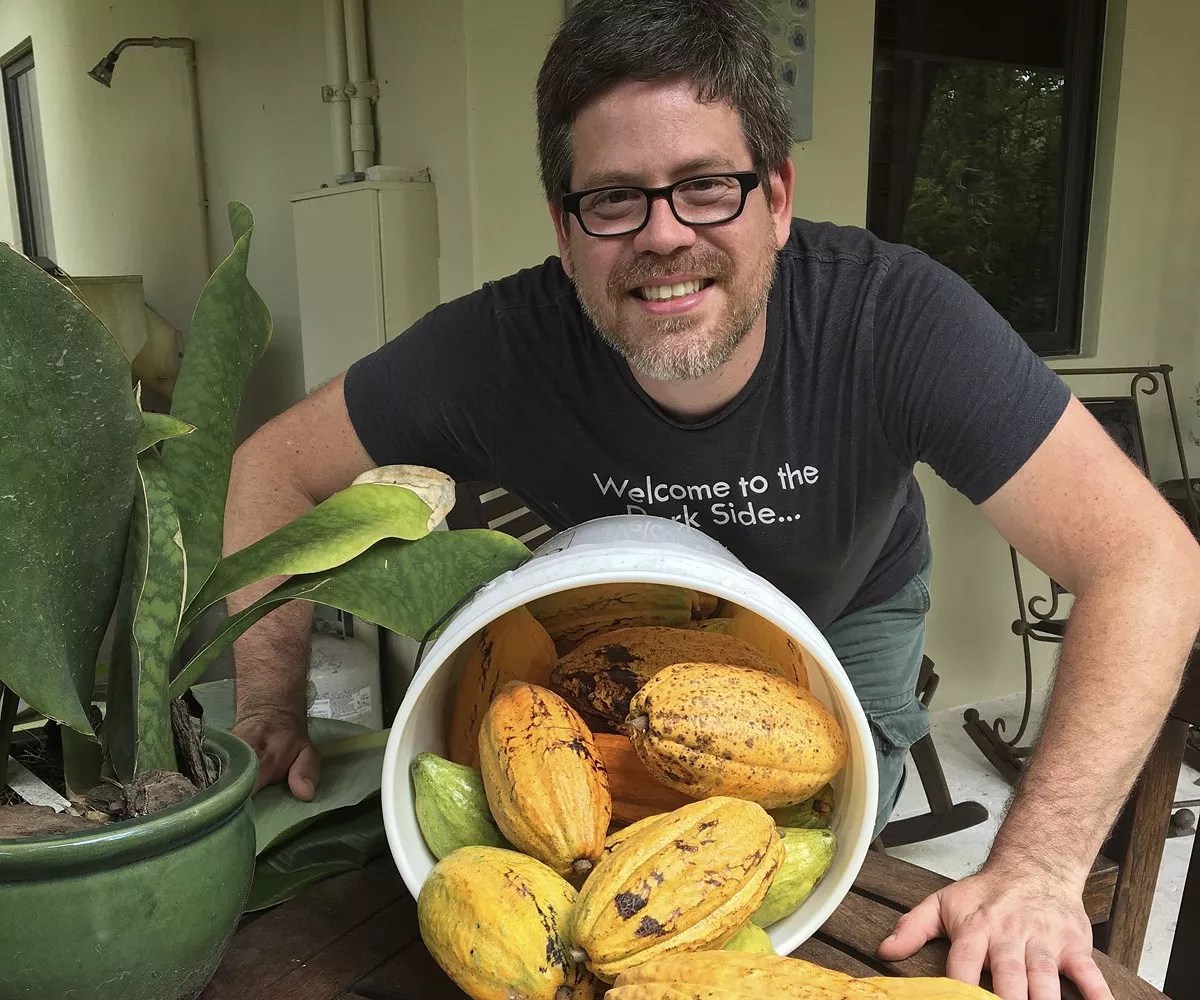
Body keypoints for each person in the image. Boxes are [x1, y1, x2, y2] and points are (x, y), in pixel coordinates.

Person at [224, 1, 1200, 997]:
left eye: (705, 186)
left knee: (821, 836)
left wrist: (1038, 867)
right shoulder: (497, 349)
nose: (663, 235)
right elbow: (275, 466)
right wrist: (270, 704)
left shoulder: (894, 320)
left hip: (841, 607)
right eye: (614, 200)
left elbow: (1149, 560)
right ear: (565, 230)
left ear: (776, 197)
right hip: (619, 616)